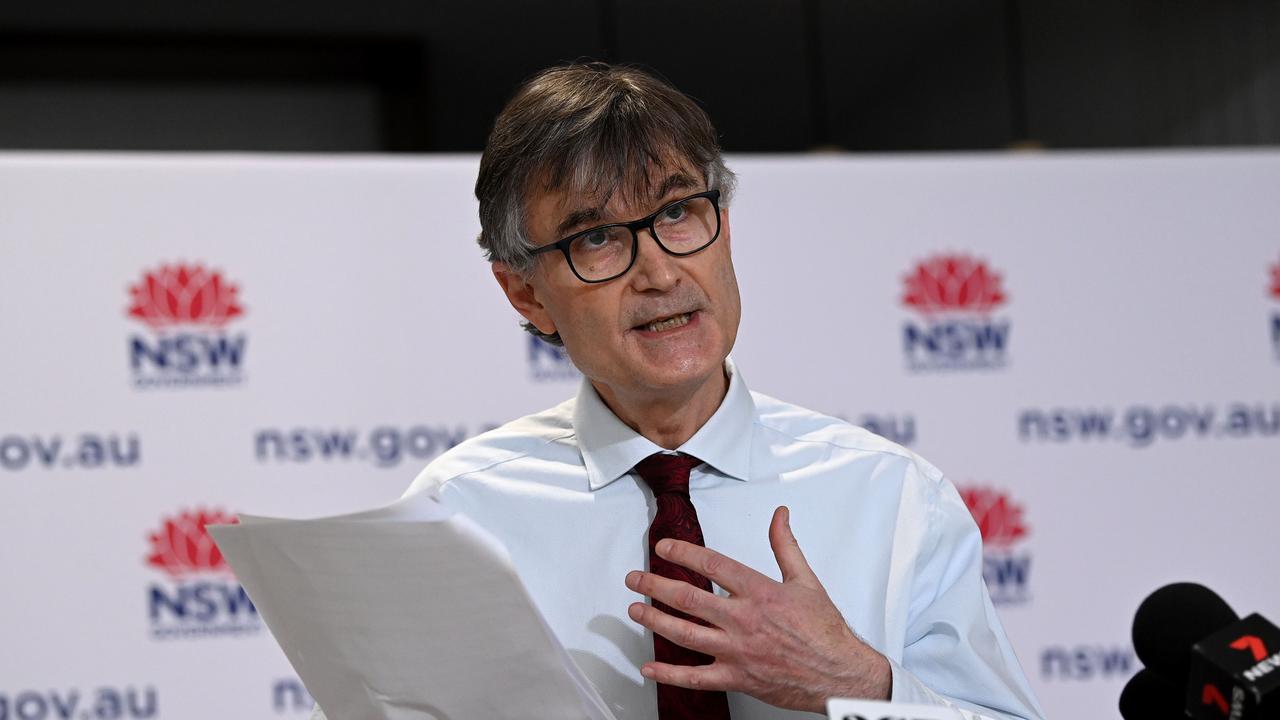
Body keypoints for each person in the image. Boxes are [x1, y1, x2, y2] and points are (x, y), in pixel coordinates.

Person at [315, 62, 1043, 720]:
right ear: (525, 294)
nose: (659, 272)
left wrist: (858, 682)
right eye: (594, 237)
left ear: (722, 227)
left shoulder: (893, 497)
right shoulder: (460, 515)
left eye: (675, 214)